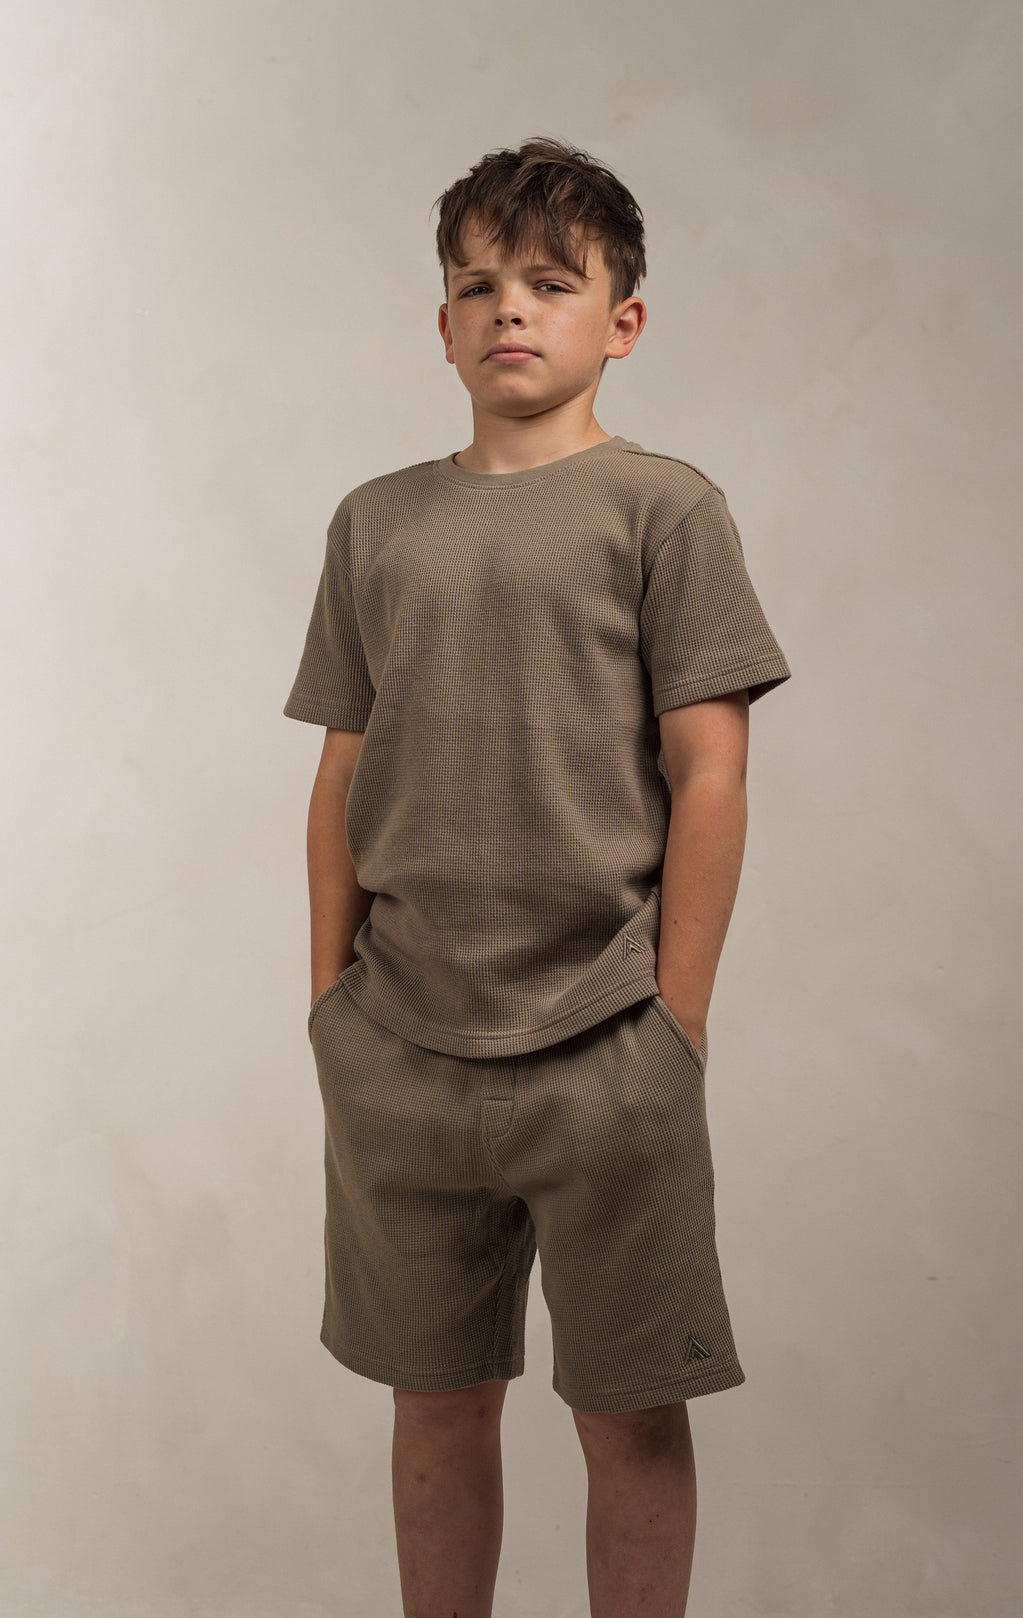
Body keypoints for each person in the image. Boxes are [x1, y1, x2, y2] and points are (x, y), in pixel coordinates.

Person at [283, 134, 791, 1618]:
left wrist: (673, 1021)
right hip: (401, 1048)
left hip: (607, 1045)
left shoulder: (666, 512)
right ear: (441, 325)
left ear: (620, 321)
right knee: (436, 1403)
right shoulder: (375, 521)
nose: (510, 306)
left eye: (550, 282)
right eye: (477, 284)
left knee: (629, 1411)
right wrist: (329, 1005)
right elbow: (341, 773)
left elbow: (711, 774)